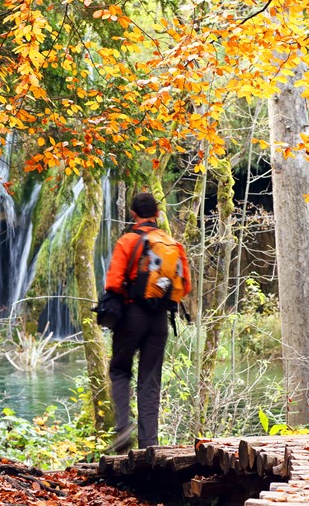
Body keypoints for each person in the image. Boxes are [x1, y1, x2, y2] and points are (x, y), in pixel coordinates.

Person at [104, 192, 191, 453]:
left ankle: (122, 429)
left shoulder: (128, 241)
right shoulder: (171, 244)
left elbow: (113, 283)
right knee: (150, 380)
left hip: (132, 316)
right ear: (157, 214)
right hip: (160, 320)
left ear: (133, 214)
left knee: (120, 371)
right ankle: (149, 444)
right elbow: (184, 285)